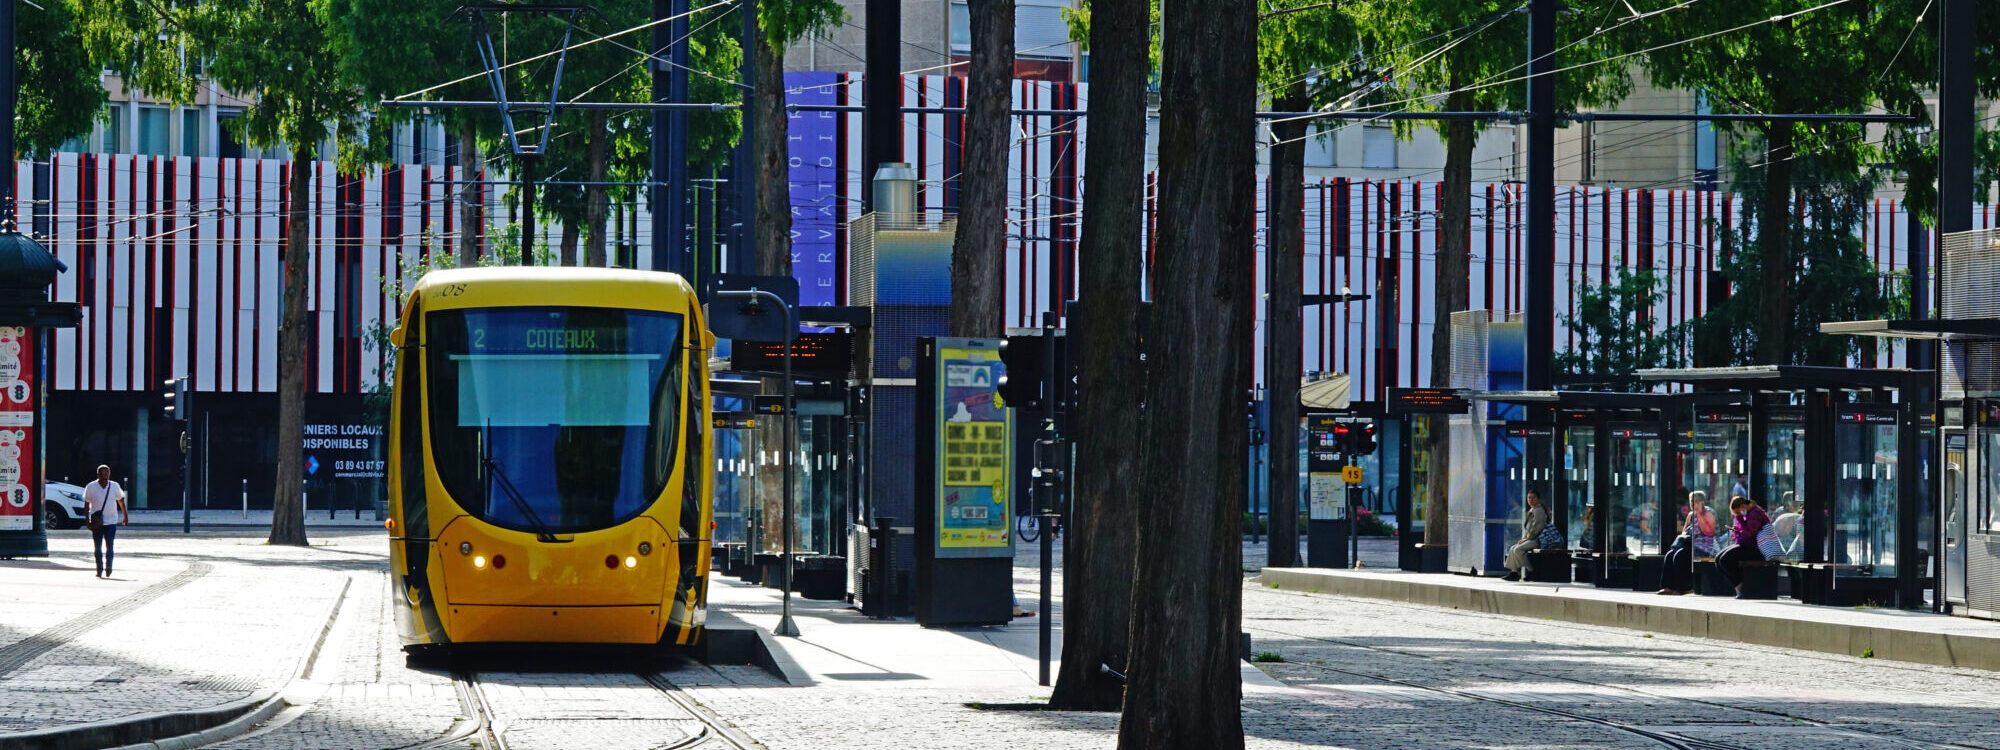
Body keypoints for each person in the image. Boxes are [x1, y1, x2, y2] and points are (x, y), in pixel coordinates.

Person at [1656, 491, 1716, 595]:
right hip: (1690, 543)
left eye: (1696, 501)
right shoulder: (1691, 515)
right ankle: (1667, 586)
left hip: (1704, 545)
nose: (1693, 504)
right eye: (1691, 501)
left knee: (1680, 556)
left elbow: (1708, 531)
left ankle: (1683, 586)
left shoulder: (1709, 512)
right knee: (1669, 555)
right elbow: (1684, 532)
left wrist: (1699, 515)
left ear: (1702, 502)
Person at [1716, 495, 1771, 598]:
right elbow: (1746, 531)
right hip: (1747, 545)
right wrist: (1738, 530)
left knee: (1725, 559)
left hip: (1756, 548)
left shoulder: (1755, 513)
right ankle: (1738, 587)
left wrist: (1740, 519)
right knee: (1718, 559)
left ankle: (1740, 586)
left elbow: (1750, 532)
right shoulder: (1748, 513)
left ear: (1742, 506)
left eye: (1737, 512)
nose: (1737, 515)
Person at [82, 465, 128, 578]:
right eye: (102, 474)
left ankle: (109, 567)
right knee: (97, 547)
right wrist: (87, 520)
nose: (104, 476)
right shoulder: (91, 487)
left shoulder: (114, 486)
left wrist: (125, 516)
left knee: (110, 546)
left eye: (106, 474)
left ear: (109, 474)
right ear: (98, 474)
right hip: (97, 522)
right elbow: (86, 505)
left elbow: (121, 501)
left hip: (111, 521)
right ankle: (99, 569)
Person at [1501, 489, 1549, 582]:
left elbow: (1537, 529)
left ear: (1538, 499)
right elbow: (1528, 529)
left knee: (1518, 549)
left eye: (1533, 498)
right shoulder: (1532, 510)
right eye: (1529, 498)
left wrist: (1526, 539)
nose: (1531, 500)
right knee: (1512, 548)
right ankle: (1514, 572)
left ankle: (1531, 571)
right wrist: (1524, 539)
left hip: (1538, 540)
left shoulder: (1538, 511)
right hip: (1531, 539)